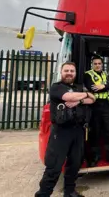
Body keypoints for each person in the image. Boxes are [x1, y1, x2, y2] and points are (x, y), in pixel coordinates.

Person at [35, 61, 96, 197]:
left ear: (75, 73)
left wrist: (80, 99)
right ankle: (43, 194)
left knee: (75, 163)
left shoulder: (79, 86)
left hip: (78, 130)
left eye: (72, 71)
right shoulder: (56, 87)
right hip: (61, 132)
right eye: (66, 71)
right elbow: (68, 97)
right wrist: (84, 95)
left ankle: (69, 192)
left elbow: (93, 99)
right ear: (61, 73)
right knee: (54, 166)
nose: (69, 73)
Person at [84, 55, 109, 167]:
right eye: (95, 63)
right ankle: (95, 156)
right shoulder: (88, 74)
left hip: (106, 105)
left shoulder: (107, 75)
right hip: (94, 105)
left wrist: (103, 86)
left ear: (102, 64)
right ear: (92, 64)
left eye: (99, 63)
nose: (97, 65)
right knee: (95, 132)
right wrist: (107, 87)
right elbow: (92, 87)